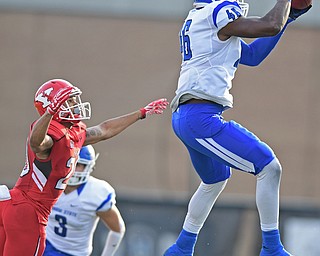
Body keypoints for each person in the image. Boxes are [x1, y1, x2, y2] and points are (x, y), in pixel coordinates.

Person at [164, 0, 312, 256]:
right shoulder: (216, 12)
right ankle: (272, 248)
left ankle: (181, 248)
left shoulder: (202, 19)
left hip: (188, 115)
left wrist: (291, 17)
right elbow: (270, 25)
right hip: (201, 117)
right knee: (269, 167)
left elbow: (253, 56)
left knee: (215, 180)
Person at [0, 78, 168, 256]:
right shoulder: (50, 134)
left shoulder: (72, 133)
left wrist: (141, 113)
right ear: (53, 106)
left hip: (13, 204)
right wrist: (49, 113)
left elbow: (104, 130)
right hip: (29, 212)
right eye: (69, 101)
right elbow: (37, 143)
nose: (75, 105)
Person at [43, 145, 124, 256]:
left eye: (79, 164)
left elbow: (117, 229)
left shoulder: (96, 193)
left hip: (73, 253)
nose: (72, 168)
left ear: (88, 167)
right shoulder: (47, 182)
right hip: (45, 244)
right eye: (70, 162)